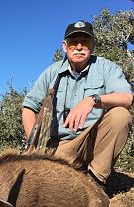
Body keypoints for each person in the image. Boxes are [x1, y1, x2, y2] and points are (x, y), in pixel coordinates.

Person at [22, 20, 133, 185]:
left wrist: (93, 100)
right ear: (65, 46)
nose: (79, 47)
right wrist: (33, 145)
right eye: (74, 43)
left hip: (93, 142)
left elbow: (127, 98)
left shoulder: (106, 68)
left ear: (93, 46)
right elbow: (29, 106)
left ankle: (95, 180)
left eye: (85, 42)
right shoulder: (51, 72)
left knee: (120, 115)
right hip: (61, 146)